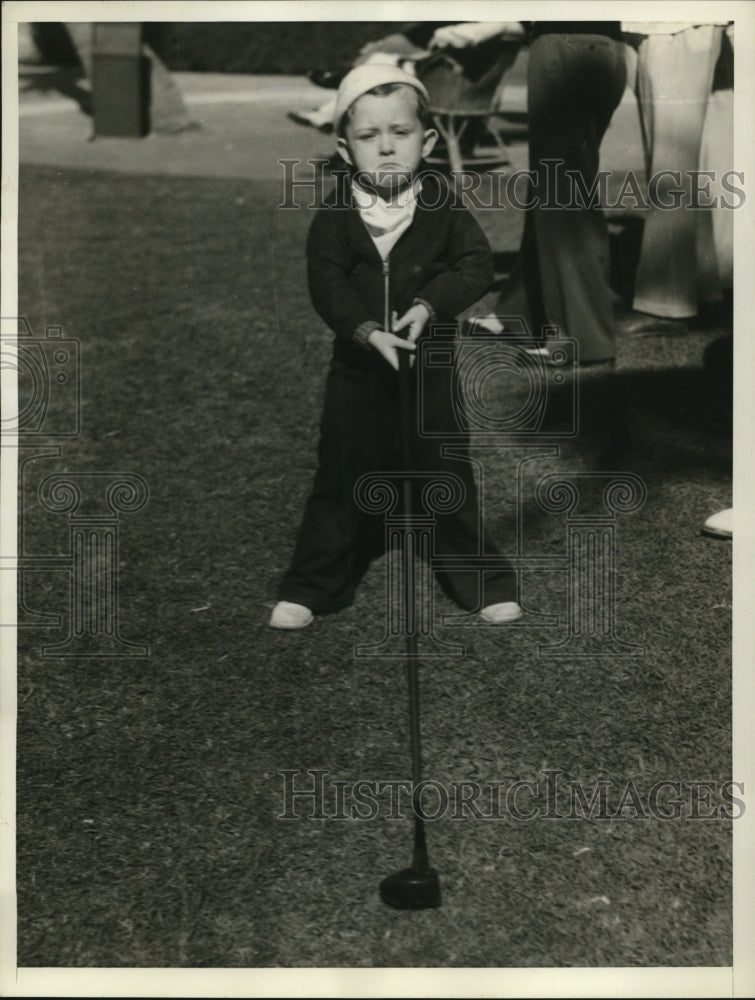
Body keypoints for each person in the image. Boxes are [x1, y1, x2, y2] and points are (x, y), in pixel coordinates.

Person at [270, 64, 520, 629]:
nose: (386, 148)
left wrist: (429, 305)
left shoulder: (442, 203)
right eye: (367, 137)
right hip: (358, 372)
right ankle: (315, 582)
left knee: (446, 471)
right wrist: (365, 330)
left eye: (401, 134)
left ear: (428, 140)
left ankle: (479, 579)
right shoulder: (336, 213)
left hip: (430, 369)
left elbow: (475, 265)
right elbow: (326, 283)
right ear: (343, 147)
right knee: (341, 472)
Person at [469, 22, 627, 365]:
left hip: (564, 45)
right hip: (606, 48)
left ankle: (583, 339)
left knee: (563, 196)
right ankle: (520, 311)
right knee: (553, 187)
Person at [620, 20, 729, 332]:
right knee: (681, 166)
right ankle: (703, 288)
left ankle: (668, 303)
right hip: (671, 24)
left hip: (675, 25)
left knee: (672, 163)